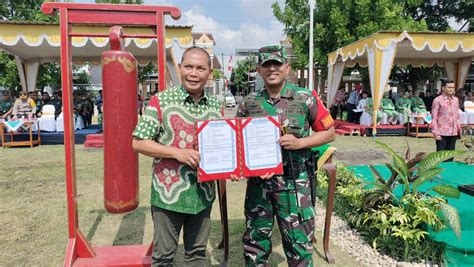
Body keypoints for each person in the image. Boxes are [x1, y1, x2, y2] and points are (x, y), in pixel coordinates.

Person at [235, 44, 335, 266]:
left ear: (287, 67)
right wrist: (239, 166)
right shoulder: (250, 102)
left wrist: (301, 142)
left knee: (299, 244)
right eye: (266, 65)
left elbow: (329, 133)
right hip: (259, 186)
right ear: (259, 69)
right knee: (255, 243)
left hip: (295, 184)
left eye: (277, 64)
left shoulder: (305, 98)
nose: (272, 69)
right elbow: (237, 142)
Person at [131, 47, 223, 266]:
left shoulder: (216, 107)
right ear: (180, 69)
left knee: (197, 255)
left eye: (200, 68)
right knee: (163, 257)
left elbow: (221, 148)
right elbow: (138, 142)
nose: (194, 73)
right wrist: (176, 153)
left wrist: (232, 167)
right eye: (189, 67)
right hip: (168, 195)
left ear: (209, 73)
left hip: (203, 196)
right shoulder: (161, 101)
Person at [430, 79, 461, 161]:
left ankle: (449, 173)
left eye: (453, 87)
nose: (451, 89)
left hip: (453, 133)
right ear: (443, 88)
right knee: (440, 158)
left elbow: (457, 116)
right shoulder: (437, 100)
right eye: (449, 87)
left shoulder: (456, 100)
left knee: (450, 157)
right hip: (442, 133)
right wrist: (436, 133)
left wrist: (458, 131)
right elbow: (434, 117)